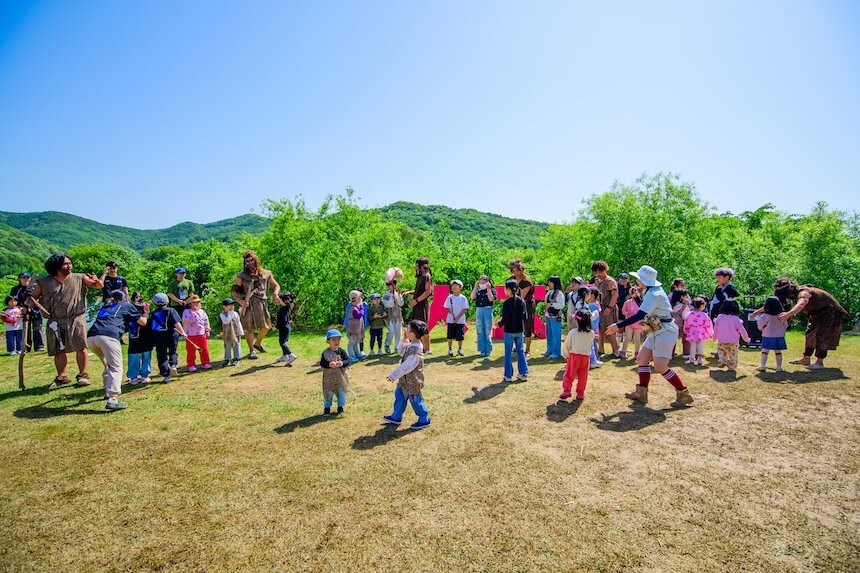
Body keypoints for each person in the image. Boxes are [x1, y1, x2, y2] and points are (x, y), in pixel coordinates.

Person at [606, 265, 694, 408]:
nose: (636, 281)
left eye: (638, 278)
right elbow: (645, 310)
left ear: (644, 280)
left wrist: (618, 325)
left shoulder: (654, 294)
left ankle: (683, 393)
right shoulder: (651, 291)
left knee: (660, 367)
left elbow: (640, 315)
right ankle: (642, 392)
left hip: (665, 331)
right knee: (642, 359)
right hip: (657, 328)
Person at [29, 254, 103, 389]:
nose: (69, 266)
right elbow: (33, 298)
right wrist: (26, 309)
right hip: (55, 320)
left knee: (80, 346)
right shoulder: (44, 282)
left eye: (70, 263)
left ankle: (83, 375)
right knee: (58, 349)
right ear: (56, 266)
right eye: (66, 264)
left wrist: (97, 281)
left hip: (76, 318)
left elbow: (97, 286)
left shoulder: (79, 277)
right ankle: (61, 376)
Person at [86, 290, 147, 410]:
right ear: (124, 298)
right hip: (109, 336)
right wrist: (145, 312)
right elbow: (142, 322)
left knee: (109, 365)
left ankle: (107, 391)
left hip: (92, 337)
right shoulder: (126, 305)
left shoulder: (106, 307)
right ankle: (113, 399)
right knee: (116, 367)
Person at [772, 278, 848, 369]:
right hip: (817, 313)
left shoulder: (803, 293)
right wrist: (759, 311)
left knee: (822, 335)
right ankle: (806, 359)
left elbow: (801, 304)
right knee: (810, 333)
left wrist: (788, 314)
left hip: (830, 311)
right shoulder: (796, 293)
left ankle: (819, 362)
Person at [232, 251, 283, 359]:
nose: (249, 263)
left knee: (266, 326)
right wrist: (240, 302)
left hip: (261, 303)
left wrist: (275, 293)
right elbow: (234, 291)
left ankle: (258, 344)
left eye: (251, 260)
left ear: (256, 260)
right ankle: (252, 351)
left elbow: (276, 285)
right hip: (248, 304)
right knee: (249, 328)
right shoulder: (242, 276)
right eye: (247, 261)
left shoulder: (266, 273)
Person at [383, 320, 431, 430]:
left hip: (413, 381)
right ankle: (396, 416)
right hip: (404, 380)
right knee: (399, 396)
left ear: (413, 334)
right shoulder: (411, 345)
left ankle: (424, 418)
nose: (406, 330)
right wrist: (404, 339)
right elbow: (401, 352)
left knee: (415, 399)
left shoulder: (416, 349)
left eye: (408, 329)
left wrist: (393, 375)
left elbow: (407, 366)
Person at [149, 293, 188, 381]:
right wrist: (183, 333)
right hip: (171, 335)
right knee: (173, 351)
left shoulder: (153, 314)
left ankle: (166, 374)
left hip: (158, 337)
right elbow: (176, 323)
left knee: (161, 355)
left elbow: (151, 327)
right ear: (167, 301)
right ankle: (173, 365)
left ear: (154, 303)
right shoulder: (171, 310)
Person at [497, 279, 529, 382]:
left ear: (509, 289)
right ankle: (523, 373)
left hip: (509, 331)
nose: (504, 290)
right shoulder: (521, 300)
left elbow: (505, 318)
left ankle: (508, 375)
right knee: (520, 351)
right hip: (519, 330)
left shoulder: (507, 303)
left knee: (508, 352)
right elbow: (525, 316)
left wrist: (499, 324)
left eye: (505, 288)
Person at [559, 310, 594, 401]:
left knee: (569, 375)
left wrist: (566, 355)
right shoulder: (591, 334)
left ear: (577, 321)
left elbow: (567, 345)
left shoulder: (573, 333)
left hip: (574, 357)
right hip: (586, 358)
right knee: (583, 377)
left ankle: (567, 390)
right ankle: (580, 393)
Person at [319, 328, 352, 417]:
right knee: (328, 393)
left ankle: (340, 409)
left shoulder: (341, 351)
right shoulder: (325, 353)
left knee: (341, 393)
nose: (336, 341)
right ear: (328, 341)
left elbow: (348, 360)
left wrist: (342, 363)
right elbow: (322, 363)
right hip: (329, 379)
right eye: (333, 339)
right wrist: (329, 364)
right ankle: (327, 410)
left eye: (338, 339)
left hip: (341, 378)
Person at [405, 257, 434, 354]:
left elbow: (428, 291)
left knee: (423, 327)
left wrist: (416, 301)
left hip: (422, 305)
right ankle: (421, 348)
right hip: (417, 305)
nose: (415, 267)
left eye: (417, 265)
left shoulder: (427, 276)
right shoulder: (420, 277)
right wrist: (409, 292)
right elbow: (419, 291)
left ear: (422, 266)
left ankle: (428, 349)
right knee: (417, 327)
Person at [591, 260, 619, 358]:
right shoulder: (596, 280)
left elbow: (615, 295)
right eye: (595, 271)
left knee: (610, 329)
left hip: (609, 308)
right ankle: (600, 349)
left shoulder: (610, 281)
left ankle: (616, 351)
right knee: (600, 329)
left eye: (599, 271)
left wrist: (609, 307)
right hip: (600, 308)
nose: (597, 273)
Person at [507, 259, 535, 355]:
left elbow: (521, 296)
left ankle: (527, 349)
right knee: (515, 325)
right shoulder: (510, 280)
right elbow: (507, 293)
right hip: (513, 304)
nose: (516, 272)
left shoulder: (526, 281)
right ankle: (517, 346)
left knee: (527, 326)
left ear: (521, 269)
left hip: (526, 305)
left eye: (517, 270)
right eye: (513, 270)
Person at [11, 272, 44, 351]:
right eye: (23, 278)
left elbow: (41, 298)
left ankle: (39, 346)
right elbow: (13, 301)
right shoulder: (15, 289)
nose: (25, 279)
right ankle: (26, 347)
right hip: (22, 312)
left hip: (36, 311)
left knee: (37, 328)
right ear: (19, 279)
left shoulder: (35, 287)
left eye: (27, 277)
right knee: (26, 330)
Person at [126, 292, 153, 384]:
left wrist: (146, 311)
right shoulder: (130, 314)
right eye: (136, 297)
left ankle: (145, 375)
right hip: (134, 341)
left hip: (145, 340)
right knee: (133, 358)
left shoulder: (145, 313)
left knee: (146, 357)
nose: (138, 298)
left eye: (139, 297)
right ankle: (133, 377)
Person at [756, 296, 787, 372]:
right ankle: (779, 367)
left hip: (767, 335)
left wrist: (761, 329)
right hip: (779, 336)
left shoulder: (765, 316)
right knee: (778, 352)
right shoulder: (781, 316)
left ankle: (763, 366)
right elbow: (785, 325)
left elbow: (760, 324)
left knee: (765, 351)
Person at [182, 295, 211, 372]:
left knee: (204, 349)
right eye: (194, 302)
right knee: (191, 350)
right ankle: (191, 364)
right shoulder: (186, 312)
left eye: (198, 302)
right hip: (190, 334)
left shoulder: (202, 311)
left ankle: (205, 363)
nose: (196, 304)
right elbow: (186, 320)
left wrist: (207, 330)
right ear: (190, 304)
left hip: (201, 333)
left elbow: (206, 321)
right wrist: (194, 314)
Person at [683, 297, 714, 366]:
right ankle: (700, 360)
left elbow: (686, 323)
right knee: (700, 346)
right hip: (701, 332)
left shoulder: (690, 314)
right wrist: (710, 333)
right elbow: (708, 325)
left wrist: (685, 330)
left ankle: (692, 359)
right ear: (702, 306)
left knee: (692, 346)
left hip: (692, 331)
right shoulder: (704, 315)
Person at [470, 275, 495, 357]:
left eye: (483, 282)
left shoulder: (492, 290)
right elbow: (472, 297)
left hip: (487, 310)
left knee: (487, 330)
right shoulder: (478, 291)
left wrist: (488, 289)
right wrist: (475, 286)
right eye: (480, 282)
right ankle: (482, 350)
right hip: (479, 310)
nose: (482, 284)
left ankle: (488, 349)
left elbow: (491, 299)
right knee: (480, 330)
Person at [543, 276, 565, 359]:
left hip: (556, 316)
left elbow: (561, 305)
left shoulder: (559, 293)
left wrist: (551, 305)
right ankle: (550, 349)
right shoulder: (549, 292)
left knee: (556, 334)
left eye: (550, 282)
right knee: (549, 333)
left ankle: (556, 351)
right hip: (549, 316)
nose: (549, 284)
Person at [445, 280, 469, 357]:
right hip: (450, 319)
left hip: (460, 320)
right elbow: (447, 308)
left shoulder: (463, 298)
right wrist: (452, 314)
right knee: (450, 335)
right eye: (453, 285)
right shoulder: (449, 297)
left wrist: (457, 318)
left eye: (456, 285)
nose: (454, 287)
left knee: (460, 336)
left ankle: (460, 349)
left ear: (460, 287)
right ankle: (450, 349)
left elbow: (464, 309)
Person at [274, 292, 297, 365]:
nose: (279, 300)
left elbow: (283, 321)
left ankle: (291, 355)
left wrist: (276, 327)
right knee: (282, 342)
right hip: (286, 328)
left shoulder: (283, 310)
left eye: (280, 299)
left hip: (284, 328)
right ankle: (285, 356)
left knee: (282, 343)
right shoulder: (287, 308)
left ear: (283, 301)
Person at [620, 286, 643, 359]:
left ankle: (637, 353)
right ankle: (623, 352)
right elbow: (623, 311)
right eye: (633, 292)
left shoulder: (641, 302)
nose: (634, 294)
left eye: (636, 292)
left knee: (637, 339)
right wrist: (628, 313)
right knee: (628, 337)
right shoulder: (627, 302)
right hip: (629, 322)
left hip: (638, 323)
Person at [220, 298, 244, 366]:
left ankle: (236, 358)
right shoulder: (222, 314)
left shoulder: (235, 313)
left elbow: (238, 323)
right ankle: (227, 359)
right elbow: (226, 321)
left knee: (236, 344)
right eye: (229, 305)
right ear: (224, 307)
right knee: (227, 345)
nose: (232, 307)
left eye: (232, 305)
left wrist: (240, 331)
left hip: (236, 332)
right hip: (227, 333)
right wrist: (230, 313)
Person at [670, 283, 692, 358]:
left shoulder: (671, 305)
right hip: (682, 325)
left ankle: (670, 354)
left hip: (672, 324)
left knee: (672, 340)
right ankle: (686, 353)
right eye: (685, 296)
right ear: (682, 297)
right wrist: (687, 305)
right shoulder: (684, 306)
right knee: (686, 340)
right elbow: (686, 316)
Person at [383, 279, 404, 354]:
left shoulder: (398, 293)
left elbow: (401, 303)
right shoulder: (386, 294)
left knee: (398, 332)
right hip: (389, 316)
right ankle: (387, 345)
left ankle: (397, 347)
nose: (392, 286)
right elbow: (387, 304)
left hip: (398, 315)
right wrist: (392, 296)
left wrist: (397, 295)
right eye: (390, 285)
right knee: (391, 331)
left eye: (394, 285)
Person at [585, 288, 604, 369]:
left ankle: (593, 359)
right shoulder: (596, 304)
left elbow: (591, 317)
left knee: (592, 344)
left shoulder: (592, 305)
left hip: (591, 326)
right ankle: (595, 358)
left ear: (592, 296)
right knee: (593, 343)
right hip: (595, 326)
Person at [346, 290, 366, 361]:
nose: (361, 299)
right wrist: (362, 307)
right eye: (360, 298)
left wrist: (360, 306)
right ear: (355, 299)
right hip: (353, 329)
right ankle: (351, 356)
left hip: (357, 328)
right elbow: (359, 315)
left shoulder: (356, 307)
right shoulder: (353, 308)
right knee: (351, 342)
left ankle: (357, 354)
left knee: (356, 342)